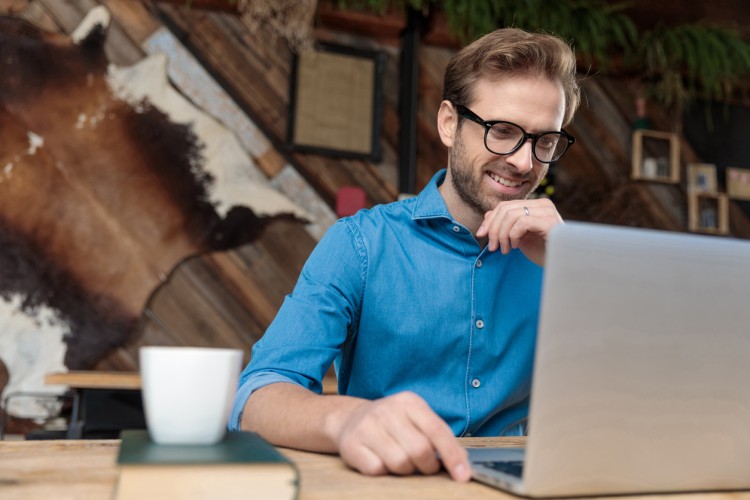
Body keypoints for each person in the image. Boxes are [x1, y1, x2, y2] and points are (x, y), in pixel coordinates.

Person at [229, 27, 581, 482]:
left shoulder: (563, 254)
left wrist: (575, 269)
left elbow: (637, 395)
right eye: (503, 131)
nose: (524, 162)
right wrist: (346, 419)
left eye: (544, 141)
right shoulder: (360, 244)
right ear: (449, 123)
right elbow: (255, 398)